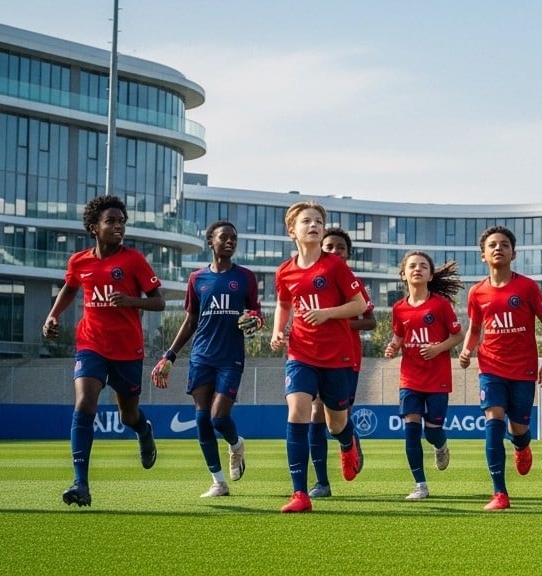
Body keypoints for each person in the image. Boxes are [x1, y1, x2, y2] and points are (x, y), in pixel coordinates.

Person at [42, 194, 166, 507]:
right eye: (111, 221)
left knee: (128, 415)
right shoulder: (79, 261)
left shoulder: (133, 260)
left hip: (127, 349)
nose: (118, 226)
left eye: (122, 221)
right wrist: (53, 315)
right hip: (91, 344)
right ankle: (80, 483)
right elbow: (71, 288)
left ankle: (144, 429)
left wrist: (131, 301)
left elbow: (159, 301)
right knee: (84, 403)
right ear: (94, 227)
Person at [269, 202, 370, 513]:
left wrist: (327, 314)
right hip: (300, 352)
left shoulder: (335, 266)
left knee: (336, 423)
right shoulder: (285, 271)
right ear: (292, 231)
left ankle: (347, 442)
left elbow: (360, 305)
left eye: (318, 221)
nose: (313, 225)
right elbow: (284, 305)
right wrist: (277, 331)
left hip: (337, 355)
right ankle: (300, 493)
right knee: (298, 409)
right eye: (306, 221)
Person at [151, 220, 263, 498]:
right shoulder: (197, 279)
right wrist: (170, 356)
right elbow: (191, 320)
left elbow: (256, 313)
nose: (230, 241)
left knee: (218, 417)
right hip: (201, 357)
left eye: (234, 238)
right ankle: (218, 482)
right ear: (210, 242)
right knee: (202, 420)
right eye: (224, 237)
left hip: (231, 358)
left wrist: (256, 321)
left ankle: (236, 445)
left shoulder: (246, 277)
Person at [460, 225, 542, 511]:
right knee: (493, 420)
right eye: (492, 245)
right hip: (490, 367)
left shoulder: (526, 287)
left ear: (513, 253)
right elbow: (475, 328)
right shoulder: (477, 292)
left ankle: (522, 445)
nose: (498, 248)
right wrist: (466, 351)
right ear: (483, 255)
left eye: (504, 244)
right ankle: (500, 493)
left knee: (519, 428)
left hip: (524, 369)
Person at [384, 251, 464, 500]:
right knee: (410, 431)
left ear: (430, 275)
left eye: (423, 266)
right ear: (403, 274)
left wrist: (438, 348)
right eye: (412, 266)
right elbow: (399, 335)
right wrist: (393, 346)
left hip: (437, 379)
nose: (417, 269)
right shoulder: (398, 308)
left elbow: (458, 335)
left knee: (432, 432)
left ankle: (441, 445)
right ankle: (420, 485)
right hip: (410, 379)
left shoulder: (440, 305)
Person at [305, 226, 377, 499]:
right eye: (329, 246)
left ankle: (349, 442)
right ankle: (321, 482)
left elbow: (370, 319)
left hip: (346, 358)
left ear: (348, 254)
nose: (335, 251)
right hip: (313, 355)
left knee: (336, 421)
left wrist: (336, 317)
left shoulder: (351, 281)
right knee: (314, 413)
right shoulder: (310, 278)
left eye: (341, 248)